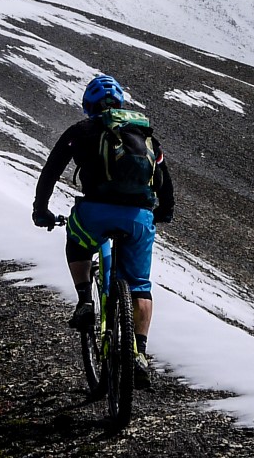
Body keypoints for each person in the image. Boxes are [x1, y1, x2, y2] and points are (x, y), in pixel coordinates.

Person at [32, 74, 173, 389]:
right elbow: (164, 181)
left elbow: (51, 172)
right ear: (120, 103)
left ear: (88, 106)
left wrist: (41, 211)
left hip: (94, 214)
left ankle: (85, 300)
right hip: (138, 218)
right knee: (139, 287)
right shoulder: (143, 132)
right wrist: (163, 212)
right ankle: (139, 353)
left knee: (77, 241)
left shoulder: (80, 131)